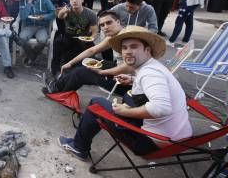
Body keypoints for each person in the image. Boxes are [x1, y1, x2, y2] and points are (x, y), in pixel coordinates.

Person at [60, 26, 192, 161]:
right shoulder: (155, 68)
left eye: (134, 47)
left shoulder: (150, 74)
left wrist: (125, 112)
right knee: (128, 97)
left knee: (96, 103)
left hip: (152, 142)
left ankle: (79, 147)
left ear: (147, 50)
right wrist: (133, 80)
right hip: (179, 138)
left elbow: (161, 108)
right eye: (124, 48)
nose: (128, 52)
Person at [43, 10, 125, 95]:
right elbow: (92, 50)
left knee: (81, 72)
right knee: (85, 61)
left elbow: (130, 67)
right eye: (102, 25)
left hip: (124, 83)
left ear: (118, 22)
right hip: (117, 68)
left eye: (109, 23)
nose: (105, 27)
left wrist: (102, 72)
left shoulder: (127, 38)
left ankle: (58, 91)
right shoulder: (114, 36)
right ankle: (58, 87)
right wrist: (70, 63)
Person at [49, 0, 98, 76]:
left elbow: (95, 32)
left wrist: (90, 39)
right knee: (58, 41)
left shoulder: (91, 14)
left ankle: (86, 71)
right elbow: (59, 18)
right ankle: (55, 70)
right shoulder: (67, 11)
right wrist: (62, 12)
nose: (74, 1)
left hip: (83, 38)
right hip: (68, 37)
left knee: (92, 50)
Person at [17, 0, 55, 66]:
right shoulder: (23, 1)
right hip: (29, 26)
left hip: (42, 26)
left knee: (42, 40)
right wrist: (29, 2)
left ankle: (31, 56)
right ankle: (33, 56)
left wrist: (44, 17)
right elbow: (23, 17)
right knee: (21, 38)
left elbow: (53, 12)